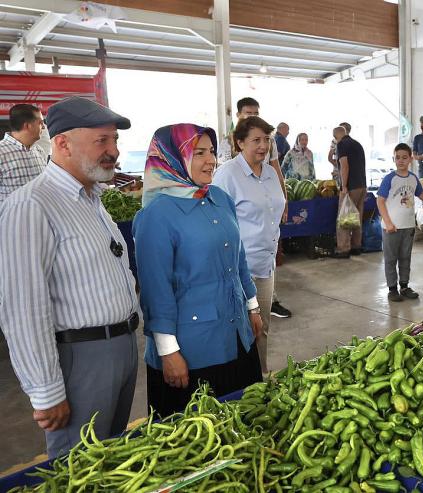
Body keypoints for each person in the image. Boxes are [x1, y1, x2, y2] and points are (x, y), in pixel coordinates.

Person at [0, 97, 138, 458]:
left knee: (110, 461)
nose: (113, 151)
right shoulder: (32, 206)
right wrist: (46, 391)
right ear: (62, 143)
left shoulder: (92, 199)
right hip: (80, 359)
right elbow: (23, 308)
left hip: (120, 348)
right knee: (78, 467)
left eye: (115, 141)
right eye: (102, 141)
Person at [134, 124, 263, 418]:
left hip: (236, 334)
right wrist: (167, 351)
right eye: (199, 152)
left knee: (245, 420)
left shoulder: (219, 199)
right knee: (200, 435)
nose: (211, 160)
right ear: (171, 158)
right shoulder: (157, 215)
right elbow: (156, 289)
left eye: (212, 152)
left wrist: (252, 306)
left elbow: (239, 259)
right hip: (193, 350)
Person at [213, 116, 286, 374]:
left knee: (261, 327)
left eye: (266, 139)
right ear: (240, 143)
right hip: (237, 268)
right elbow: (216, 222)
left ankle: (260, 377)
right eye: (256, 140)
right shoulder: (227, 174)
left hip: (265, 266)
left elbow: (276, 208)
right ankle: (238, 384)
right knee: (237, 329)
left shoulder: (269, 173)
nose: (263, 146)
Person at [376, 143, 423, 302]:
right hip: (391, 227)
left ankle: (405, 286)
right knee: (390, 258)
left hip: (408, 226)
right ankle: (392, 289)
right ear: (394, 159)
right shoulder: (390, 178)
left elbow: (422, 196)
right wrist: (388, 223)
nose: (401, 160)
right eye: (397, 157)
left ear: (410, 159)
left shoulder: (413, 178)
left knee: (405, 257)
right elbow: (380, 201)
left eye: (404, 157)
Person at [0, 103, 48, 204]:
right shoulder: (1, 152)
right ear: (27, 126)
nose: (43, 127)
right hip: (11, 219)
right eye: (40, 123)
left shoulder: (38, 151)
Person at [332, 125, 368, 258]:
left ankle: (343, 249)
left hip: (351, 186)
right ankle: (356, 246)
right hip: (362, 185)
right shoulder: (357, 144)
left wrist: (344, 186)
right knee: (356, 217)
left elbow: (344, 166)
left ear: (336, 137)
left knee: (344, 217)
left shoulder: (341, 145)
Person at [218, 97, 277, 167]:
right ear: (238, 115)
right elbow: (223, 170)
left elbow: (276, 169)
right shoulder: (227, 142)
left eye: (256, 114)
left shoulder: (270, 140)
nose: (253, 117)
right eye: (249, 113)